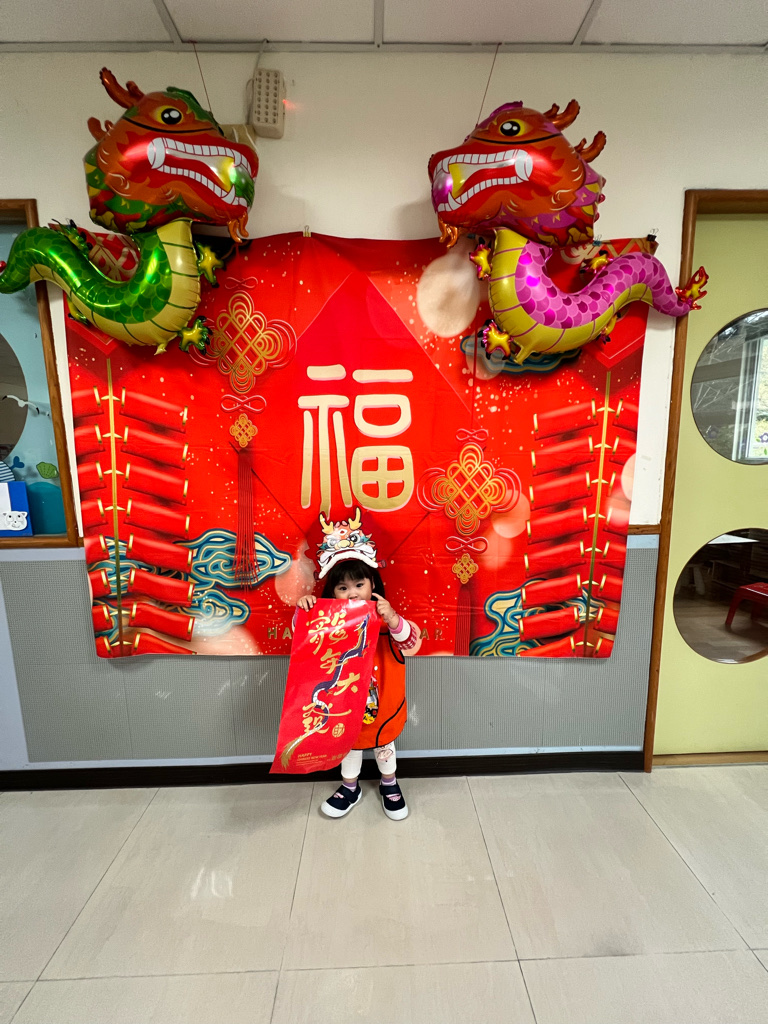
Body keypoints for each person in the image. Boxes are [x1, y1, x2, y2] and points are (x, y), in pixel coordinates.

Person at [296, 510, 419, 820]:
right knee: (347, 742)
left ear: (372, 584)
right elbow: (304, 640)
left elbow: (411, 643)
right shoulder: (330, 626)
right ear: (332, 594)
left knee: (384, 743)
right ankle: (350, 787)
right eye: (342, 588)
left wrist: (392, 618)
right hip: (344, 702)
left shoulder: (386, 619)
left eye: (359, 584)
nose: (352, 593)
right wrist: (306, 612)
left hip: (383, 701)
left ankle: (389, 783)